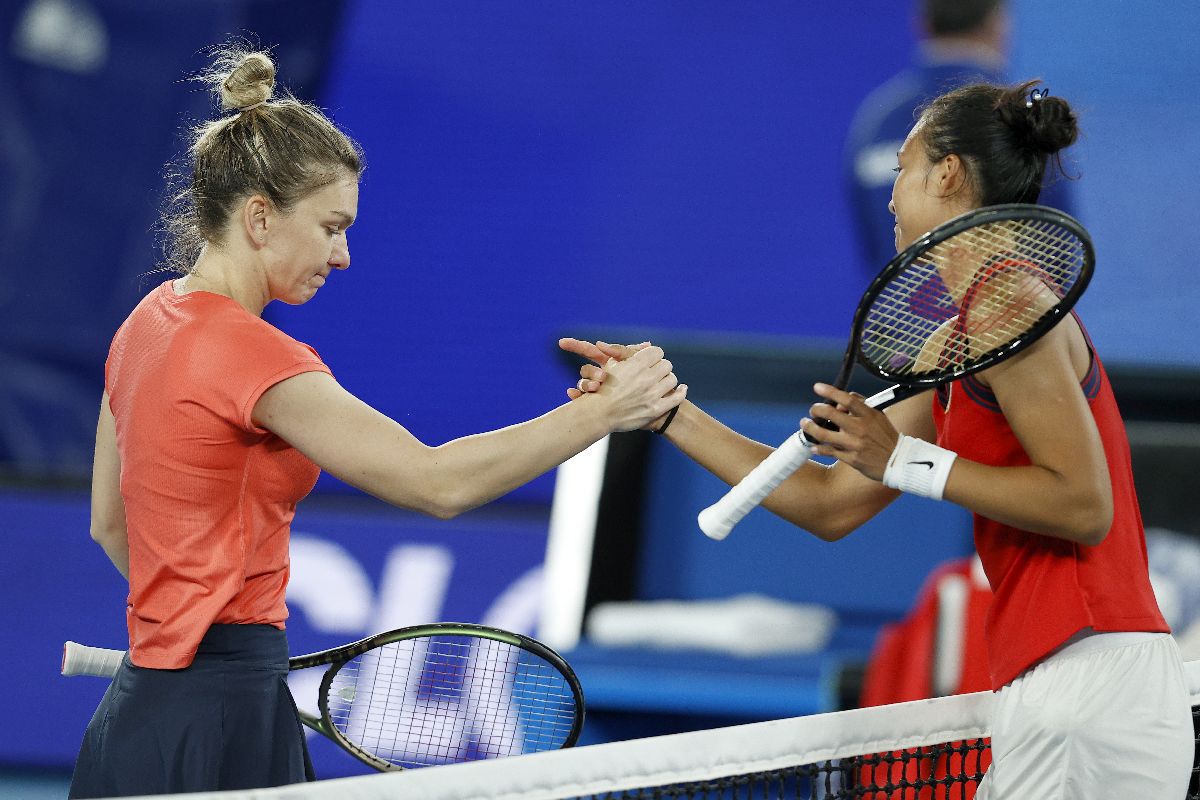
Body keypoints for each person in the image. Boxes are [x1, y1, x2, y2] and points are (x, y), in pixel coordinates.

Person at [69, 45, 685, 799]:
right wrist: (606, 412)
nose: (345, 254)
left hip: (141, 713)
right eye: (331, 226)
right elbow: (437, 485)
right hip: (222, 720)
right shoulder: (250, 353)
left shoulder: (144, 323)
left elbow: (109, 523)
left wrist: (193, 630)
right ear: (259, 217)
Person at [564, 80, 1193, 799]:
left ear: (948, 173)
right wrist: (668, 410)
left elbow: (1084, 505)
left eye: (902, 165)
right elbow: (829, 502)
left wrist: (901, 458)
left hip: (1090, 680)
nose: (891, 195)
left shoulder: (1009, 301)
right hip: (1052, 686)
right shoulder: (955, 341)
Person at [844, 0, 1075, 276]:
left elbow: (871, 244)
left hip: (904, 315)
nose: (893, 204)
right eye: (898, 169)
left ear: (922, 23)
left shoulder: (874, 124)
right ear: (998, 24)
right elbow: (1056, 248)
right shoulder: (1016, 122)